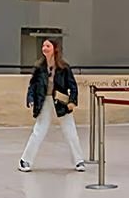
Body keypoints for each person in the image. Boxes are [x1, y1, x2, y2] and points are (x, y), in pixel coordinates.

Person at [19, 39, 85, 172]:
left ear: (54, 49)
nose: (44, 48)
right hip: (44, 100)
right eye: (43, 46)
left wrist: (72, 101)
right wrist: (31, 98)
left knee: (70, 131)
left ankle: (79, 160)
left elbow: (72, 85)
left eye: (48, 46)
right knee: (39, 131)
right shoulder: (39, 68)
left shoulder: (64, 67)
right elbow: (33, 85)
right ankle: (25, 160)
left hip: (60, 101)